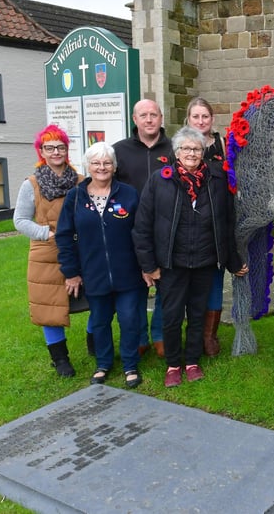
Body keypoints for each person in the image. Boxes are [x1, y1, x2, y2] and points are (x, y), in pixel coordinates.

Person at [132, 126, 248, 387]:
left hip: (205, 262)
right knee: (171, 316)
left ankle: (193, 361)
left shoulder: (216, 180)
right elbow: (142, 226)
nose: (191, 153)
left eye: (196, 149)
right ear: (176, 152)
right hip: (172, 264)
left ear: (203, 151)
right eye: (186, 148)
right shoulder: (159, 180)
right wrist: (149, 265)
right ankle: (174, 364)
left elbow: (226, 223)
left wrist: (232, 259)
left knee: (198, 314)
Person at [55, 143, 145, 388]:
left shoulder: (128, 193)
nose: (102, 167)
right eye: (96, 163)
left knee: (129, 319)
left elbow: (141, 232)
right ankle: (103, 363)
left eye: (107, 162)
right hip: (93, 273)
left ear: (114, 167)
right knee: (100, 321)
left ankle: (129, 364)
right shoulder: (75, 197)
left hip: (128, 273)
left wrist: (147, 266)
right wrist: (71, 273)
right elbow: (64, 236)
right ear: (88, 166)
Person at [13, 125, 84, 378]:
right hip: (46, 252)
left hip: (78, 249)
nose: (56, 152)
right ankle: (60, 359)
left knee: (95, 298)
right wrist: (47, 233)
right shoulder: (30, 184)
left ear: (67, 149)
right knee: (49, 306)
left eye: (61, 147)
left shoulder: (80, 181)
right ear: (41, 151)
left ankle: (97, 346)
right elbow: (20, 220)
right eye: (50, 147)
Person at [114, 99, 174, 358]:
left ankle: (160, 334)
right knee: (136, 288)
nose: (149, 120)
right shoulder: (119, 151)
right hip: (129, 232)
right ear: (134, 119)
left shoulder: (174, 148)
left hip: (166, 231)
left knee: (166, 286)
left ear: (161, 118)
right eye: (143, 115)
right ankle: (139, 337)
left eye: (153, 114)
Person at [185, 97, 227, 356]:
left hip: (216, 220)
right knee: (187, 281)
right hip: (189, 224)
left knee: (214, 279)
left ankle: (209, 336)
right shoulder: (180, 145)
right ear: (188, 119)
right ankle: (192, 329)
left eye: (205, 117)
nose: (201, 121)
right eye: (196, 117)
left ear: (212, 119)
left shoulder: (222, 144)